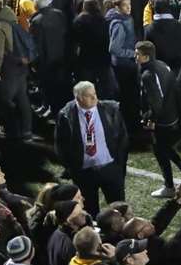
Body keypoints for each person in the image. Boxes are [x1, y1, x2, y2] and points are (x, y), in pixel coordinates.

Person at [55, 81, 129, 214]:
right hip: (84, 173)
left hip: (110, 168)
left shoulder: (110, 109)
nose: (95, 98)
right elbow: (61, 145)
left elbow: (122, 138)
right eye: (90, 96)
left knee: (119, 209)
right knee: (90, 211)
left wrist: (119, 164)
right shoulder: (66, 115)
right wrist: (71, 168)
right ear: (79, 98)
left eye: (94, 94)